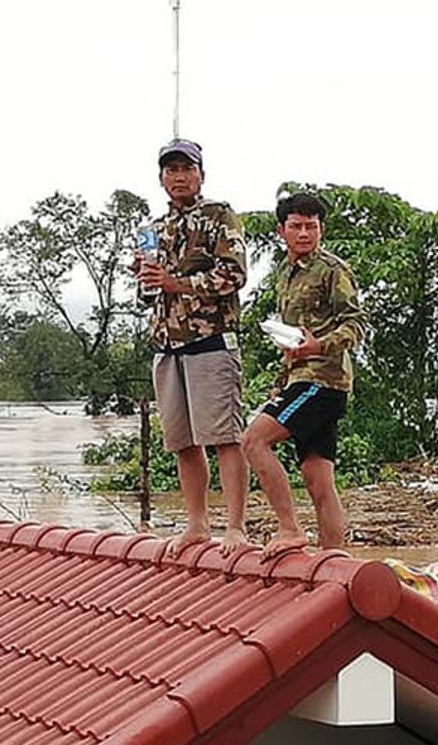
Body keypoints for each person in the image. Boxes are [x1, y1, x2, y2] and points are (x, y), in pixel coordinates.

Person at [136, 138, 250, 556]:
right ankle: (197, 524)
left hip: (210, 340)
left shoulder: (220, 216)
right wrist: (146, 278)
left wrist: (176, 282)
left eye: (186, 168)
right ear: (161, 178)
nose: (178, 176)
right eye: (171, 170)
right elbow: (147, 296)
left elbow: (234, 275)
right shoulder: (154, 229)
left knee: (224, 437)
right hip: (166, 345)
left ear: (201, 173)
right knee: (182, 442)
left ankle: (235, 526)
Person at [241, 192, 365, 559]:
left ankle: (290, 529)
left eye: (311, 226)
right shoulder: (285, 274)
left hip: (322, 381)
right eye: (296, 226)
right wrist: (283, 375)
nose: (305, 233)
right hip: (299, 379)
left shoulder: (332, 269)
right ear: (282, 231)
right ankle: (334, 561)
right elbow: (293, 336)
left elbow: (356, 323)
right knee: (318, 481)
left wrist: (318, 346)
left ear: (321, 229)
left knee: (253, 441)